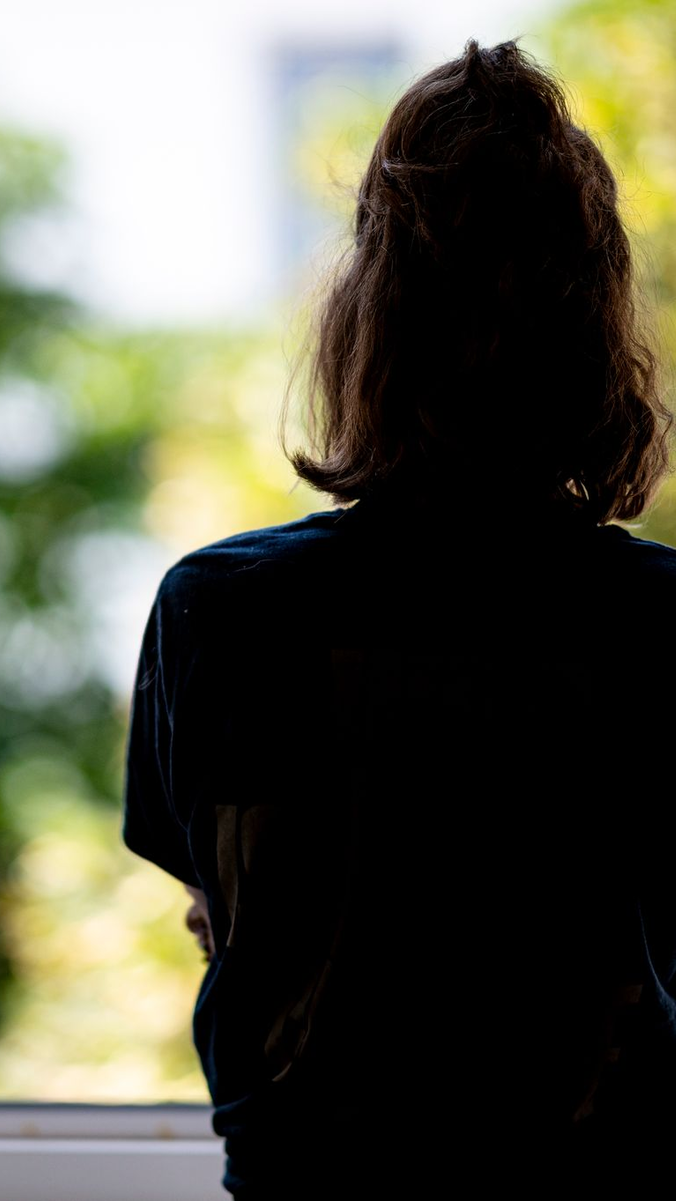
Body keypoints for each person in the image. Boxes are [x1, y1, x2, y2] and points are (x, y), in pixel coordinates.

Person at [122, 38, 676, 1195]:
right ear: (595, 329)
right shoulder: (662, 623)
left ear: (364, 321)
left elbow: (232, 916)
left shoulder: (222, 613)